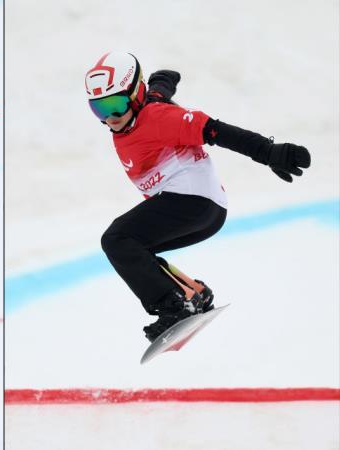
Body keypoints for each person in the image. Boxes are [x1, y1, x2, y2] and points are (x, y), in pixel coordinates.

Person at [84, 52, 310, 343]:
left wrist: (268, 152)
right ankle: (193, 293)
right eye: (100, 110)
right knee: (134, 250)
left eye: (116, 105)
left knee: (116, 239)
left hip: (192, 201)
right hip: (208, 212)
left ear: (135, 95)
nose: (111, 118)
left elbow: (217, 131)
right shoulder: (146, 106)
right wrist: (162, 82)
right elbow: (157, 93)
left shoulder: (157, 117)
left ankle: (174, 306)